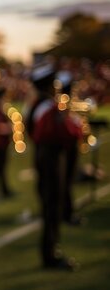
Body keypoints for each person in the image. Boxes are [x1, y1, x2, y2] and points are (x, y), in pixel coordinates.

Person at [25, 63, 77, 271]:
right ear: (48, 85)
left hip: (41, 155)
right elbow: (64, 134)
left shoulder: (35, 105)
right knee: (52, 205)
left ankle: (50, 252)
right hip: (51, 157)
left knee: (49, 203)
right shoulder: (49, 107)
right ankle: (51, 256)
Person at [56, 70, 84, 226]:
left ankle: (65, 211)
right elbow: (68, 128)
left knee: (65, 182)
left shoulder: (63, 102)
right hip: (67, 148)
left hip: (66, 147)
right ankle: (66, 213)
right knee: (66, 182)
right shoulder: (63, 103)